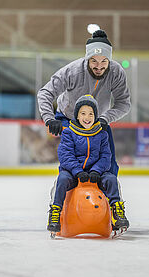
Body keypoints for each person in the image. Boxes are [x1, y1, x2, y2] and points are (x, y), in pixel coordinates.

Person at [37, 29, 131, 177]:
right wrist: (49, 118)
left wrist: (106, 118)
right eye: (94, 60)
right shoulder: (72, 71)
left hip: (98, 121)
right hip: (69, 118)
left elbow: (123, 103)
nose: (99, 66)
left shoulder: (116, 72)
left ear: (109, 60)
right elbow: (45, 93)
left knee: (109, 161)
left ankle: (109, 195)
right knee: (70, 161)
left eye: (104, 61)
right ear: (87, 58)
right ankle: (65, 190)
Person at [47, 95, 129, 234]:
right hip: (73, 172)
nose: (87, 117)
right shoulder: (69, 132)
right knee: (61, 180)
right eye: (83, 113)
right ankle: (55, 212)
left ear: (95, 116)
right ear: (77, 116)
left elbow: (106, 156)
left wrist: (96, 171)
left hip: (95, 173)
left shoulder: (102, 134)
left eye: (91, 114)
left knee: (111, 179)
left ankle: (117, 212)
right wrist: (78, 171)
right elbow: (66, 156)